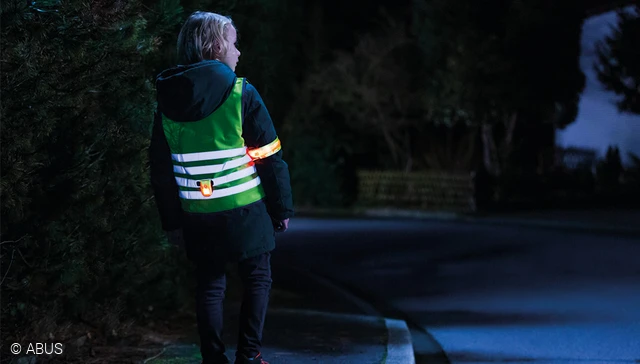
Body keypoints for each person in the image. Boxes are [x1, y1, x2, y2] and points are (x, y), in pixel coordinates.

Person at [149, 11, 294, 364]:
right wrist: (282, 209)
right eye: (233, 43)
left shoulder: (167, 101)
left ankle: (213, 359)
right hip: (246, 210)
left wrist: (172, 222)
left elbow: (161, 170)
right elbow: (268, 157)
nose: (238, 52)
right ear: (216, 46)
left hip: (198, 215)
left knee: (210, 287)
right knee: (257, 278)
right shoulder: (241, 93)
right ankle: (249, 356)